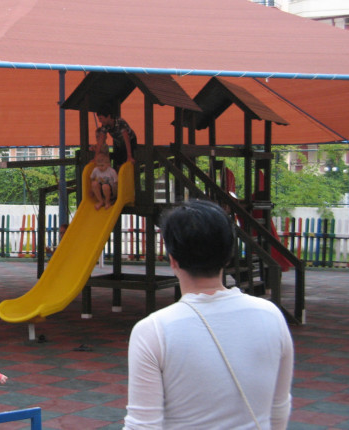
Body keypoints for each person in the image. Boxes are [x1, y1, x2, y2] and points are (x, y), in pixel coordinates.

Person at [123, 199, 293, 430]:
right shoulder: (271, 316)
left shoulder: (153, 330)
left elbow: (143, 425)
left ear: (173, 260)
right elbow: (279, 407)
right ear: (228, 255)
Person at [96, 104, 137, 170]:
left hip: (130, 141)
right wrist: (95, 158)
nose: (99, 120)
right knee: (117, 162)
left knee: (127, 159)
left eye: (100, 118)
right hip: (118, 142)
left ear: (108, 116)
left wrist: (129, 156)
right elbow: (100, 141)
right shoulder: (105, 125)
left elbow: (126, 139)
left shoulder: (120, 122)